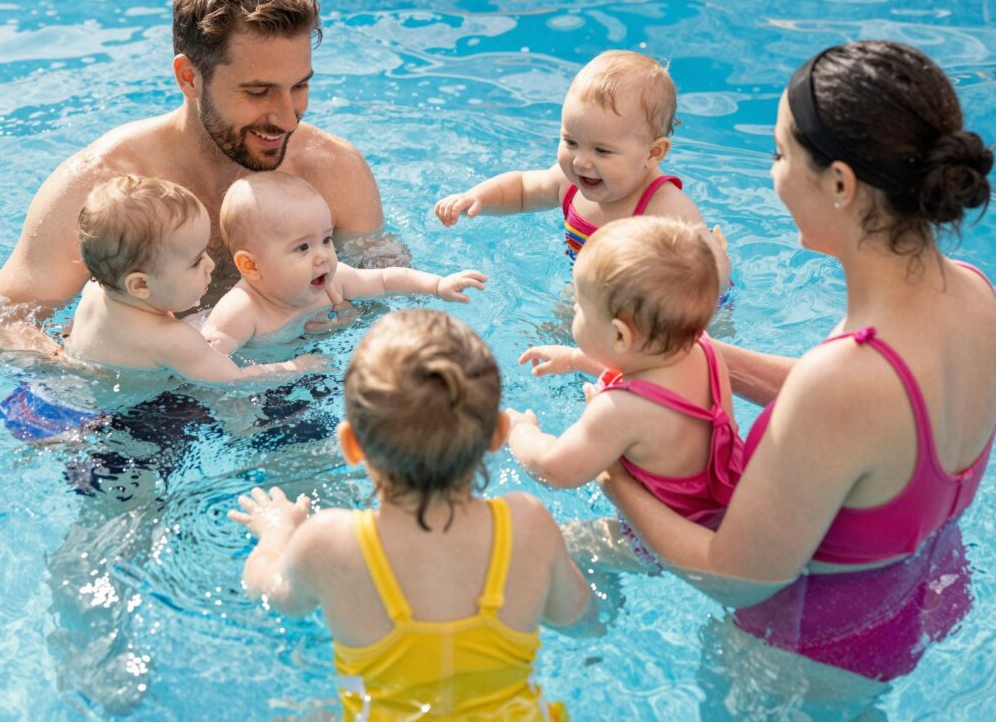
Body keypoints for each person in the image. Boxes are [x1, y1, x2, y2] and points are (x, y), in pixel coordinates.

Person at [599, 40, 996, 681]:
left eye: (780, 154)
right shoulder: (974, 295)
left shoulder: (842, 382)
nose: (774, 174)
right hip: (914, 603)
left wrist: (613, 480)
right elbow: (872, 423)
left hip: (798, 664)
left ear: (840, 183)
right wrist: (690, 352)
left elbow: (734, 578)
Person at [0, 0, 386, 356]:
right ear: (189, 78)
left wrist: (354, 315)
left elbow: (387, 288)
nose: (287, 118)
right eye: (258, 92)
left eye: (299, 86)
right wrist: (77, 366)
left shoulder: (332, 170)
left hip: (288, 368)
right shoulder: (104, 185)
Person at [229, 309, 592, 719]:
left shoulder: (329, 542)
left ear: (351, 445)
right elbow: (579, 617)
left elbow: (269, 591)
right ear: (496, 436)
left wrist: (276, 530)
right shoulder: (527, 523)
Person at [506, 217, 743, 563]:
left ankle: (595, 613)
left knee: (558, 549)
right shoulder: (704, 350)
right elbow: (651, 372)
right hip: (729, 509)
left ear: (619, 335)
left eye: (579, 307)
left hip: (660, 539)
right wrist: (575, 359)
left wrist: (522, 434)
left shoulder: (620, 411)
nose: (573, 310)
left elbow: (557, 469)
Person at [433, 49, 730, 294]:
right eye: (571, 142)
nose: (581, 162)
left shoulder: (662, 207)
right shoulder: (569, 183)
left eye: (602, 151)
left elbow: (708, 268)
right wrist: (477, 198)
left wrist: (709, 264)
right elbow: (522, 190)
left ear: (653, 153)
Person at [65, 175, 323, 381]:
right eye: (196, 260)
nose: (210, 265)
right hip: (135, 418)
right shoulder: (174, 340)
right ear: (141, 284)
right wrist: (296, 365)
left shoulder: (94, 292)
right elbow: (235, 380)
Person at [201, 172, 487, 352]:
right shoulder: (240, 312)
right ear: (251, 266)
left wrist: (438, 285)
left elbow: (387, 280)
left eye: (326, 239)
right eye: (302, 247)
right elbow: (209, 368)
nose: (323, 255)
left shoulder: (334, 281)